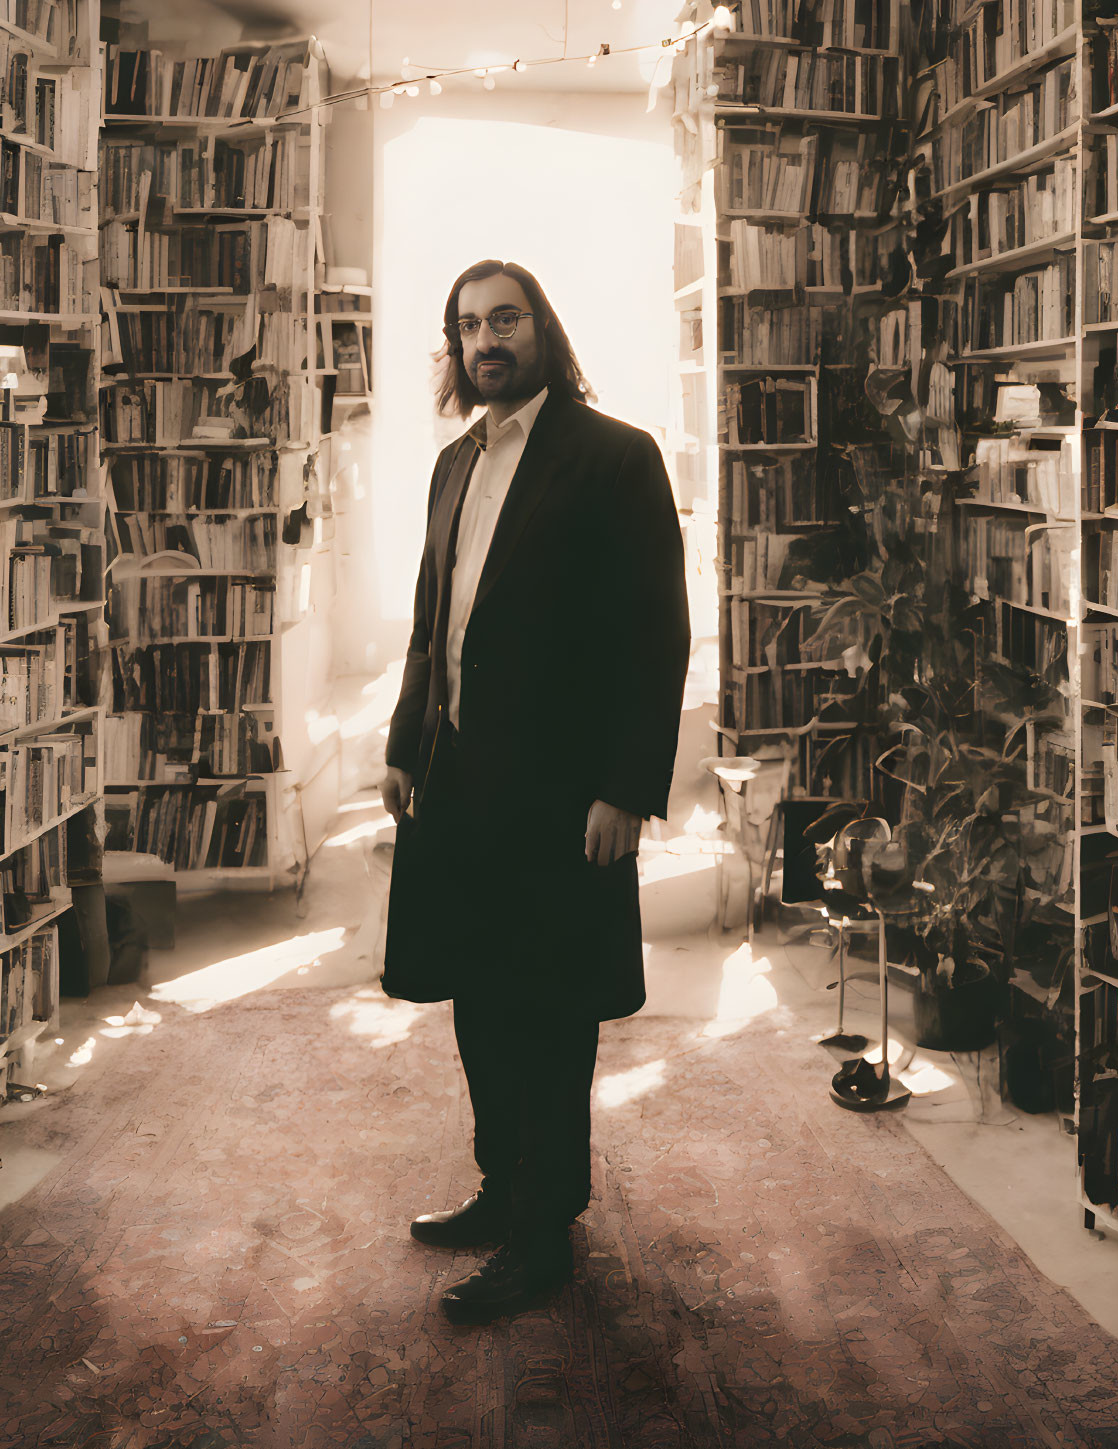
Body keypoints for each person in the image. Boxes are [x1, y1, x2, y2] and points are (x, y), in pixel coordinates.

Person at [378, 259, 691, 1326]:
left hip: (564, 797)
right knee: (477, 994)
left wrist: (626, 790)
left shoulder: (615, 458)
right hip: (458, 779)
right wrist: (405, 746)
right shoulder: (453, 463)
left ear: (542, 328)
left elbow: (657, 638)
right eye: (467, 325)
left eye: (503, 318)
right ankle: (502, 1186)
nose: (485, 340)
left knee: (550, 1013)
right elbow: (434, 624)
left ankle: (543, 1233)